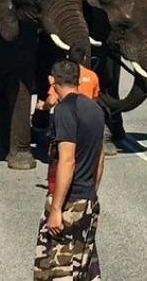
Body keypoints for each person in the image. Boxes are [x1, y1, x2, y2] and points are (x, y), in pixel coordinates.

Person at [33, 60, 105, 281]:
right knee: (84, 264)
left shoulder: (64, 110)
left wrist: (56, 209)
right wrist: (92, 191)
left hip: (68, 201)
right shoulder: (95, 109)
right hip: (87, 198)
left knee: (54, 267)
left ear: (52, 81)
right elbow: (100, 158)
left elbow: (67, 161)